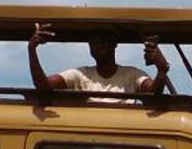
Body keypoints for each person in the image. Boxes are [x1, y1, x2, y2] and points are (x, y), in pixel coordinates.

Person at [28, 22, 170, 95]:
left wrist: (161, 71)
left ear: (114, 44)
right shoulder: (80, 75)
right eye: (94, 43)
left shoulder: (132, 74)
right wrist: (32, 49)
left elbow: (153, 90)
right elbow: (43, 85)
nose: (98, 46)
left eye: (103, 41)